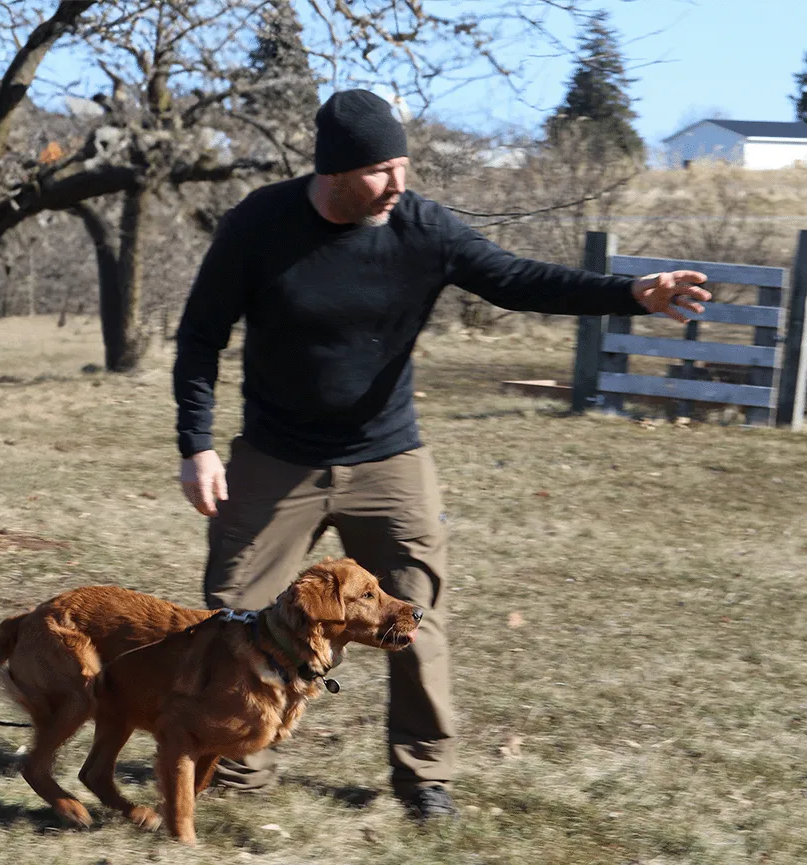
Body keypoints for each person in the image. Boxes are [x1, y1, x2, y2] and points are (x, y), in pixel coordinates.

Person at [172, 89, 710, 823]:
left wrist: (631, 293)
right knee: (236, 609)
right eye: (380, 170)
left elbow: (517, 280)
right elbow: (201, 334)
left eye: (403, 165)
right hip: (276, 455)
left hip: (388, 455)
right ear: (332, 172)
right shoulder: (259, 226)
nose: (398, 183)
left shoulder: (419, 226)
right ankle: (237, 761)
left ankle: (424, 775)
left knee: (413, 613)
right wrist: (197, 444)